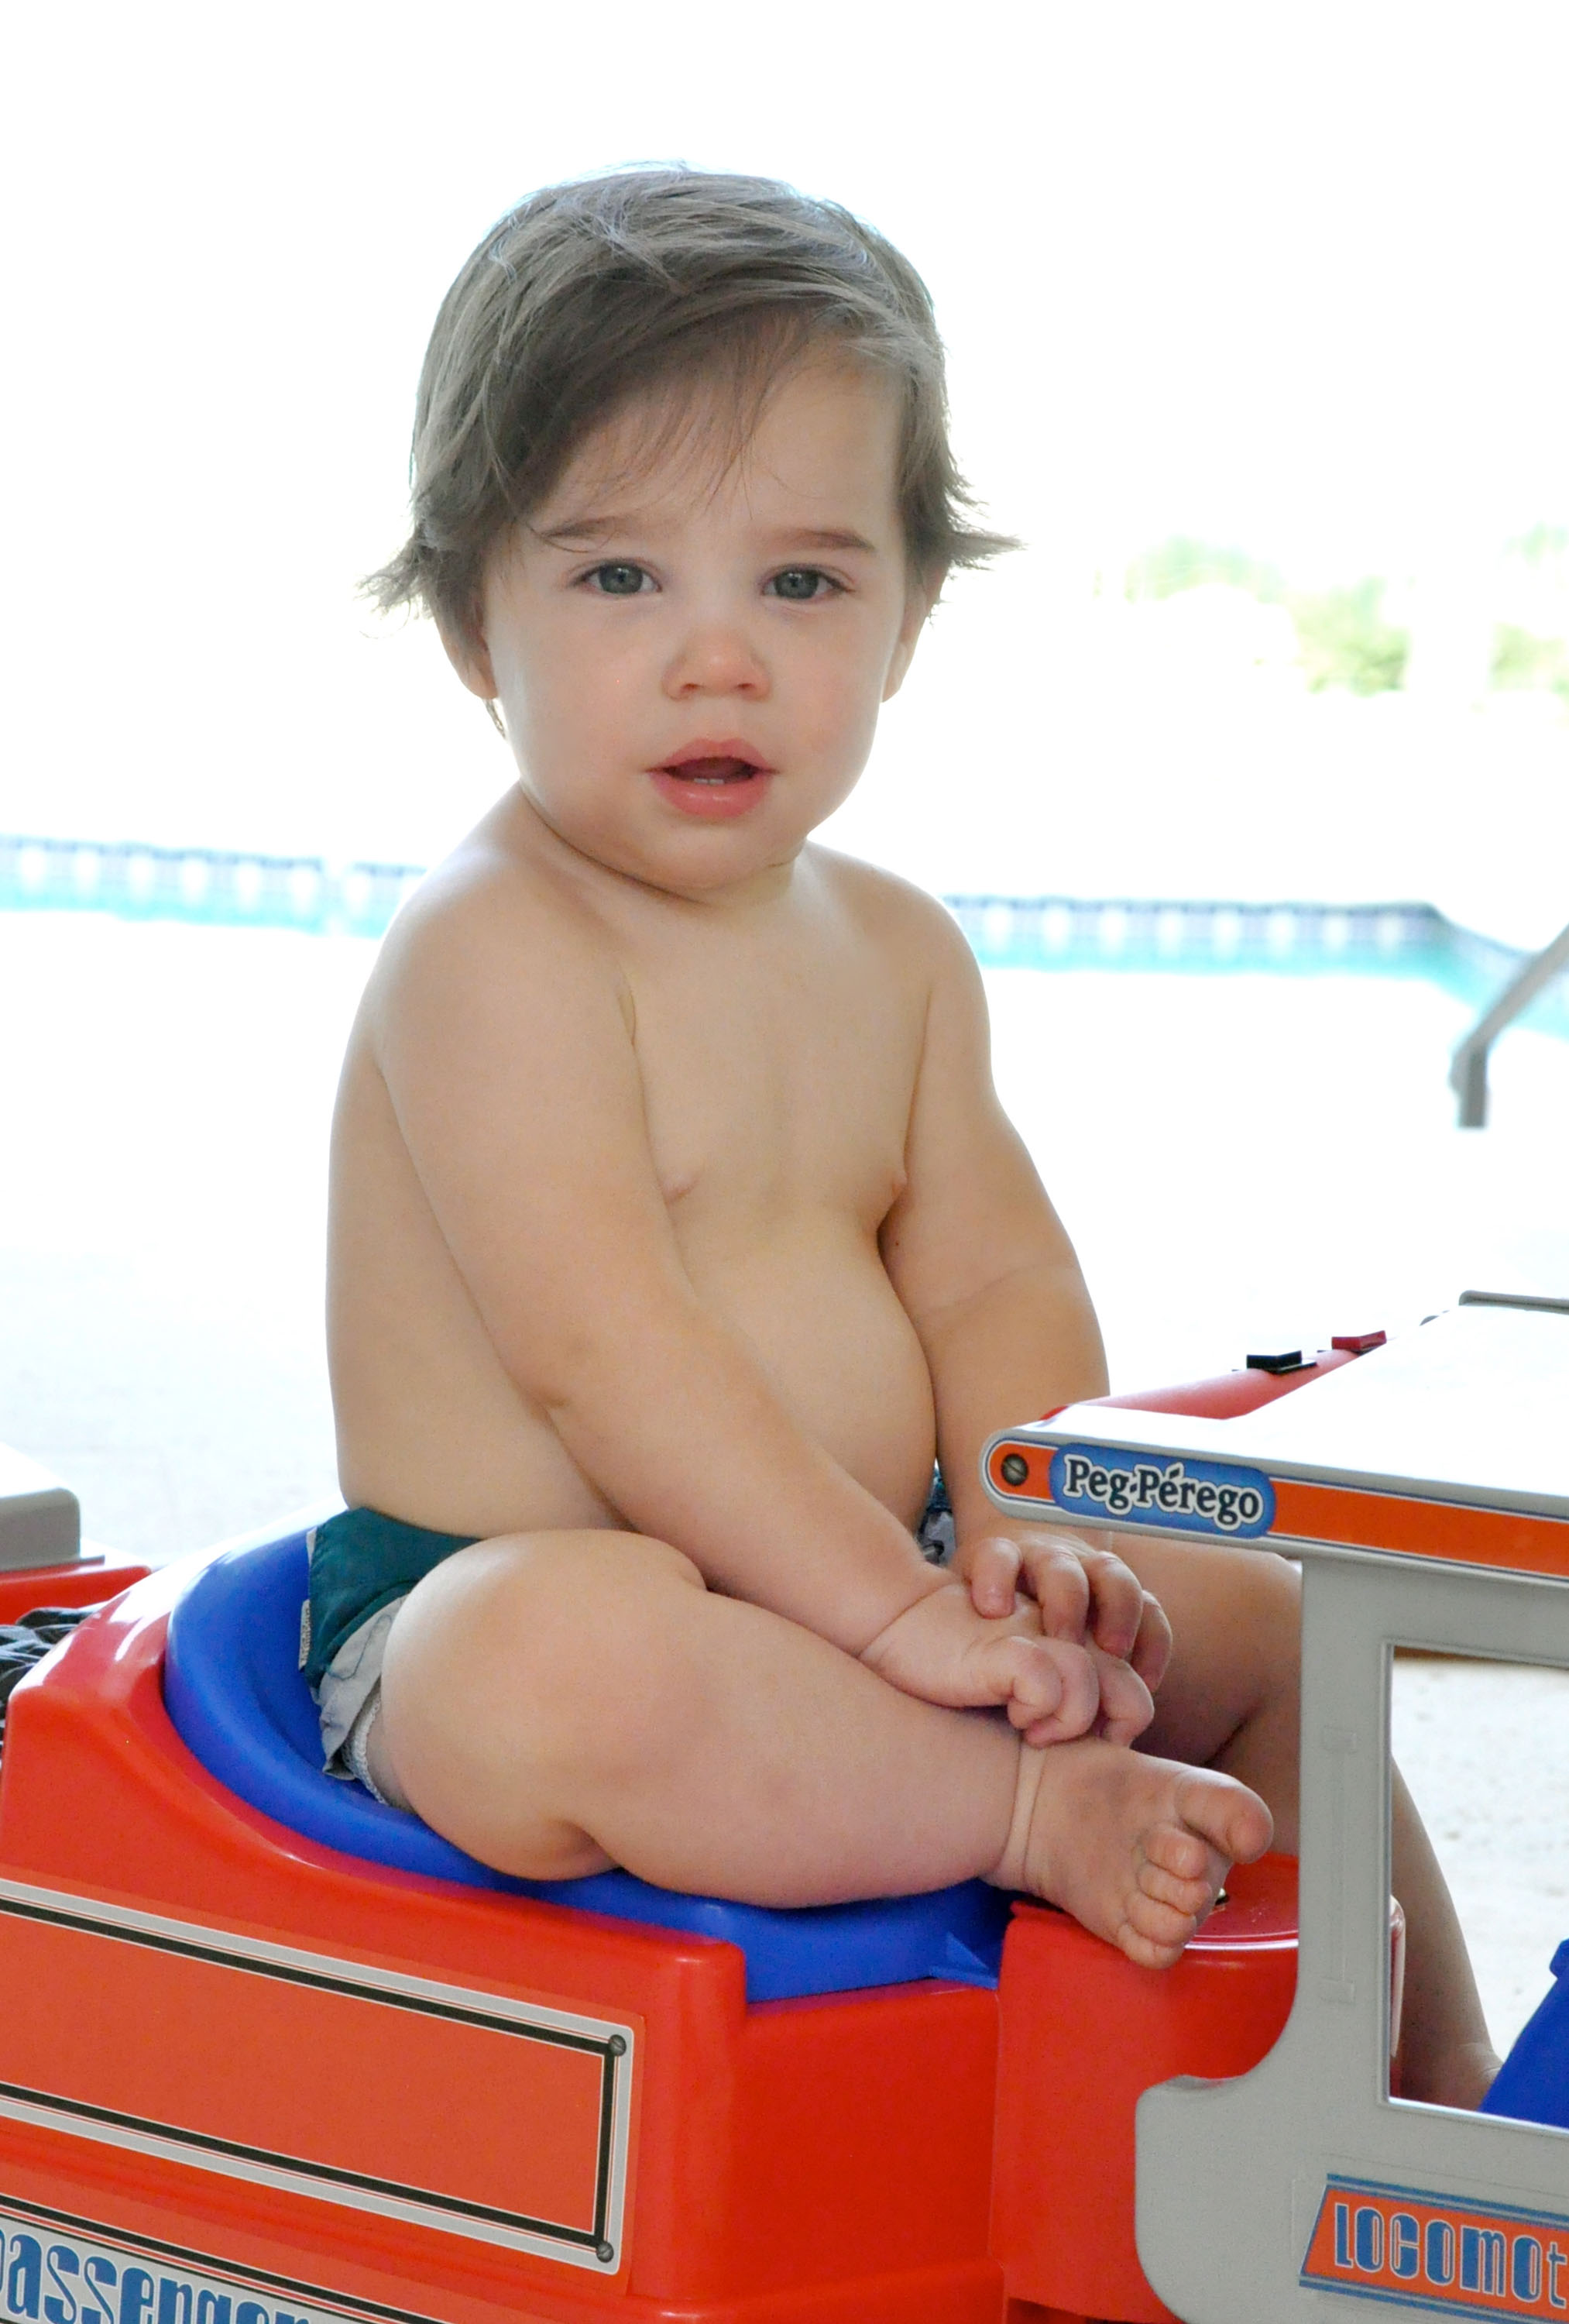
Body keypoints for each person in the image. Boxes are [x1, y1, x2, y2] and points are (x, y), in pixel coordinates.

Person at [307, 167, 1495, 2105]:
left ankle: (1415, 2118)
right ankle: (1024, 1820)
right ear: (468, 620)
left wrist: (1028, 1533)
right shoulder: (490, 949)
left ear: (909, 614)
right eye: (619, 577)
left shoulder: (895, 948)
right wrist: (889, 1621)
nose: (719, 656)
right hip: (516, 1588)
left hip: (897, 1575)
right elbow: (605, 1360)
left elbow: (989, 1270)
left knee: (1256, 1618)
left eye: (800, 580)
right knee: (560, 1652)